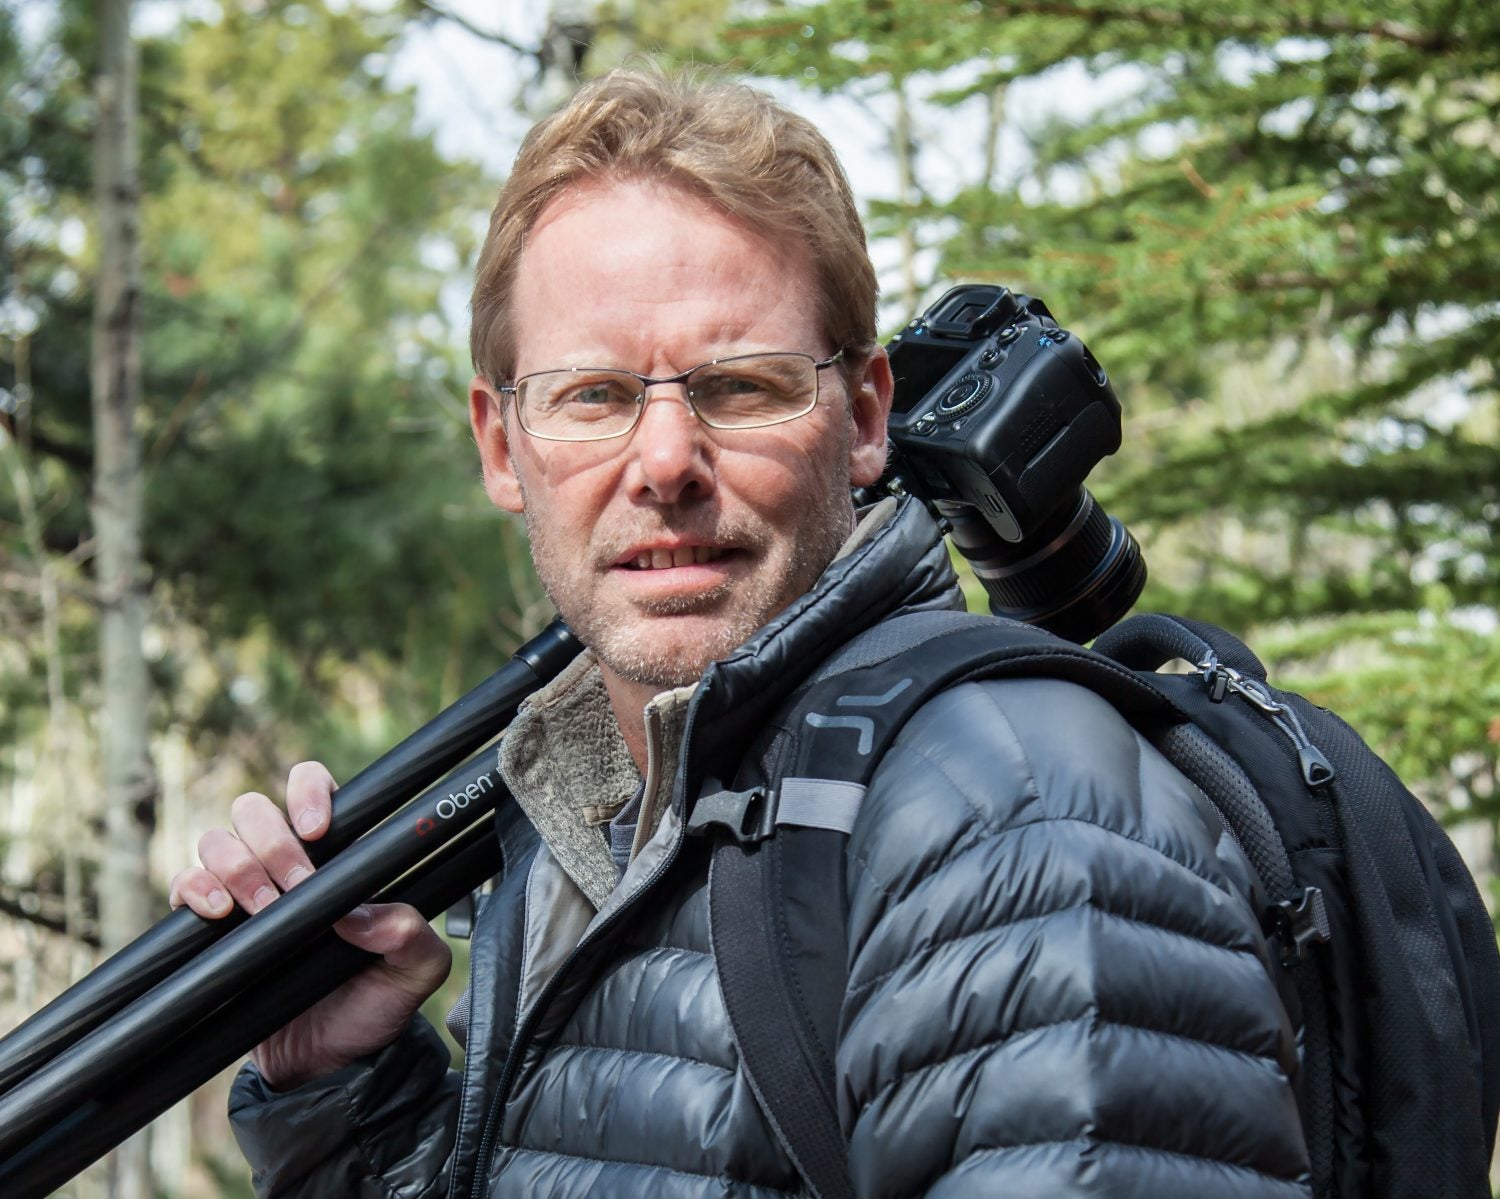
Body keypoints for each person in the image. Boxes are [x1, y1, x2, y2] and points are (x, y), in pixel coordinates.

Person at [170, 68, 1313, 1197]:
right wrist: (343, 1086)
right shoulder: (589, 823)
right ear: (502, 443)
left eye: (740, 386)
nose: (665, 461)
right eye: (593, 395)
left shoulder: (1006, 817)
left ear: (863, 419)